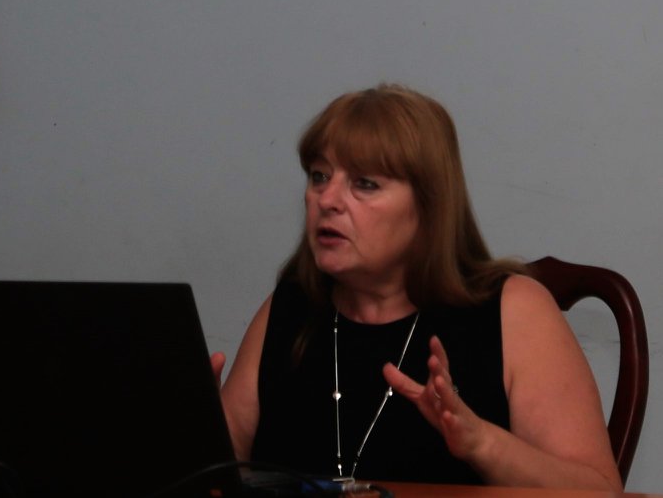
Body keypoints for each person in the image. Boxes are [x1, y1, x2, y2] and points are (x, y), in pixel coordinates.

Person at [218, 85, 623, 491]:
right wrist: (193, 426)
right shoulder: (290, 307)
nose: (327, 199)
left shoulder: (513, 310)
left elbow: (600, 491)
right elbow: (215, 474)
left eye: (365, 183)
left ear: (429, 207)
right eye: (319, 176)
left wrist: (482, 443)